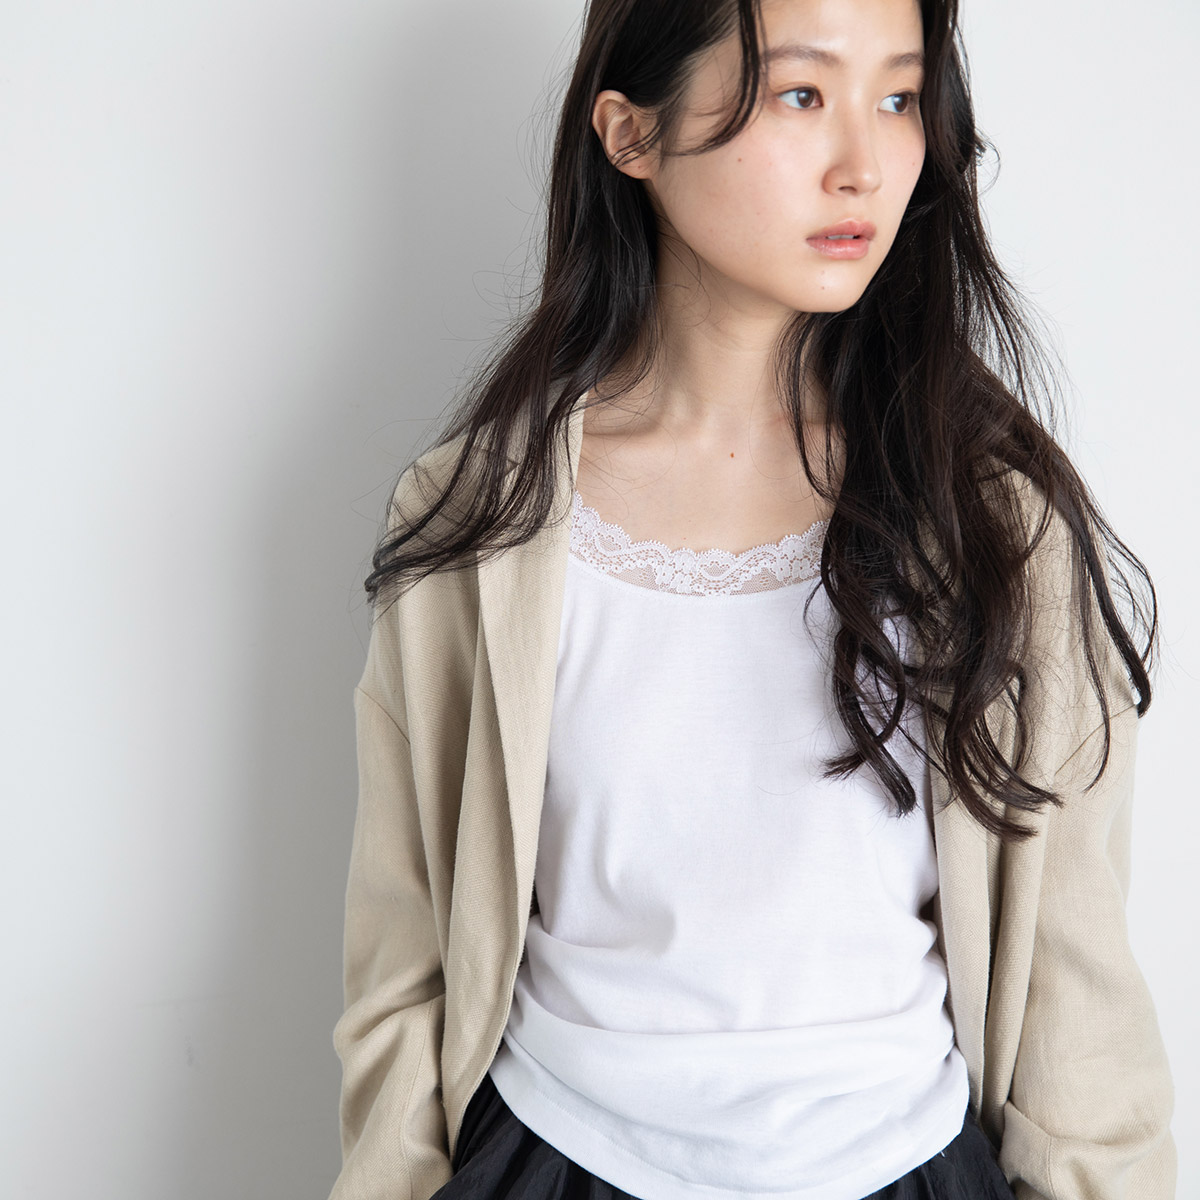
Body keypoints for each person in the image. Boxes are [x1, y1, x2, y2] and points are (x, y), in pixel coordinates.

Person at [328, 0, 1176, 1197]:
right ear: (630, 133)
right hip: (558, 1161)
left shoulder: (993, 519)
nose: (864, 163)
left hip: (906, 1166)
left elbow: (1074, 989)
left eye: (898, 97)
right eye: (801, 94)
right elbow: (404, 960)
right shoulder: (480, 519)